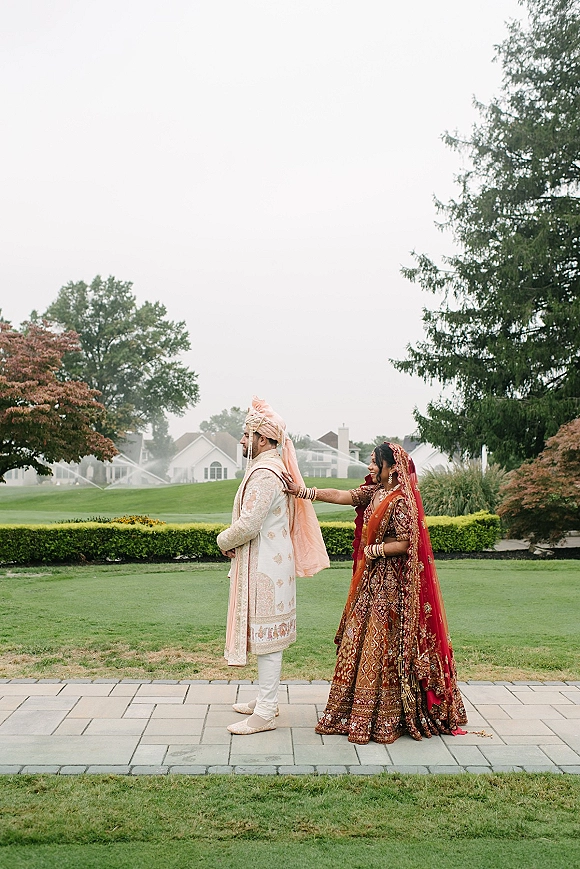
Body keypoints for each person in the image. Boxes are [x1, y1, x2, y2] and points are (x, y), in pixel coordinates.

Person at [284, 441, 467, 745]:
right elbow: (344, 496)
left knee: (382, 643)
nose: (369, 467)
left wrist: (375, 549)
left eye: (374, 462)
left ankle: (387, 714)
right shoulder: (375, 492)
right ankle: (356, 708)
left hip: (392, 586)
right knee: (359, 638)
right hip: (370, 581)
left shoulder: (400, 501)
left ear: (392, 467)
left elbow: (407, 543)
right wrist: (305, 492)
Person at [216, 397, 329, 736]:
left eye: (245, 434)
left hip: (267, 567)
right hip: (267, 562)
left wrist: (222, 541)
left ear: (262, 439)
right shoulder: (270, 466)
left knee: (267, 638)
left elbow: (250, 523)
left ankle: (265, 712)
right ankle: (266, 700)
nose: (241, 440)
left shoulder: (266, 472)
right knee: (264, 634)